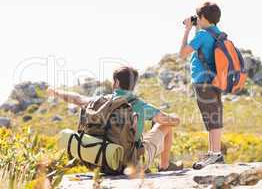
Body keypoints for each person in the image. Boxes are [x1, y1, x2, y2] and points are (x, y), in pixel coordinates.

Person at [47, 66, 183, 172]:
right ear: (133, 84)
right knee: (165, 125)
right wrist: (176, 118)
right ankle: (164, 166)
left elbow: (77, 98)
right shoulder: (141, 105)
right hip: (131, 164)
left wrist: (56, 92)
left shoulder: (99, 102)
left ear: (116, 82)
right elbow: (167, 120)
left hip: (103, 160)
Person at [179, 2, 225, 169]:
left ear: (203, 18)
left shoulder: (202, 36)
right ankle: (213, 153)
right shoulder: (216, 33)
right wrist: (197, 27)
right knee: (212, 116)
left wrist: (187, 30)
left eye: (198, 17)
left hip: (202, 81)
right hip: (215, 81)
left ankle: (215, 154)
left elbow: (183, 53)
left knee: (211, 118)